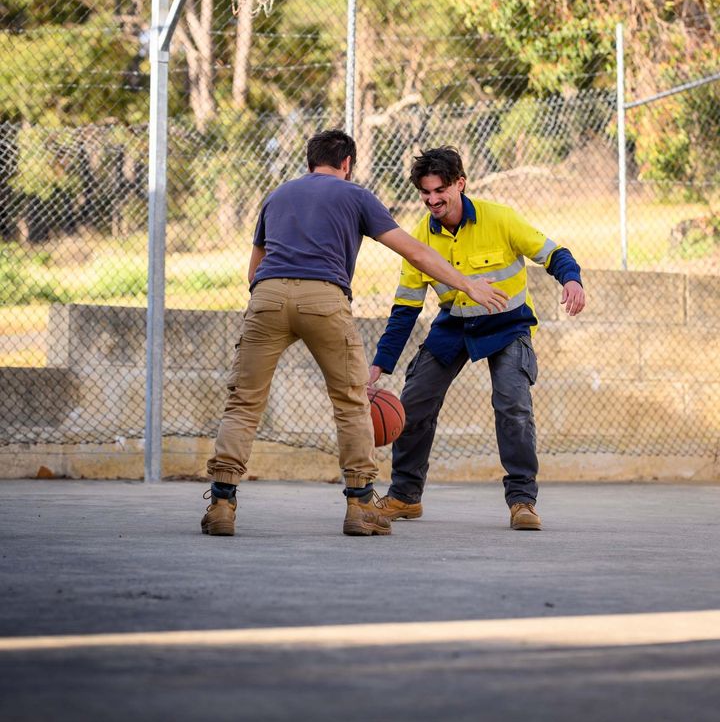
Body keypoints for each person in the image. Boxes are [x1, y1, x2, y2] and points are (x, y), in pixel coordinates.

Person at [202, 130, 509, 539]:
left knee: (243, 402)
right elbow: (414, 251)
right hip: (324, 298)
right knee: (350, 402)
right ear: (346, 164)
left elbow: (253, 272)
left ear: (310, 161)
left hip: (268, 296)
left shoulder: (277, 196)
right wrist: (468, 285)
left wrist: (274, 302)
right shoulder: (356, 196)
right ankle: (361, 504)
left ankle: (222, 503)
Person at [369, 146, 585, 531]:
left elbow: (553, 253)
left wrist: (571, 279)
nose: (433, 200)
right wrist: (380, 365)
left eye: (440, 191)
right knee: (414, 401)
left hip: (507, 325)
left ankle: (522, 502)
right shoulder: (420, 236)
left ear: (460, 184)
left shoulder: (499, 218)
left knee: (512, 404)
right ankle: (404, 495)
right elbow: (405, 310)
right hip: (454, 325)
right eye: (425, 193)